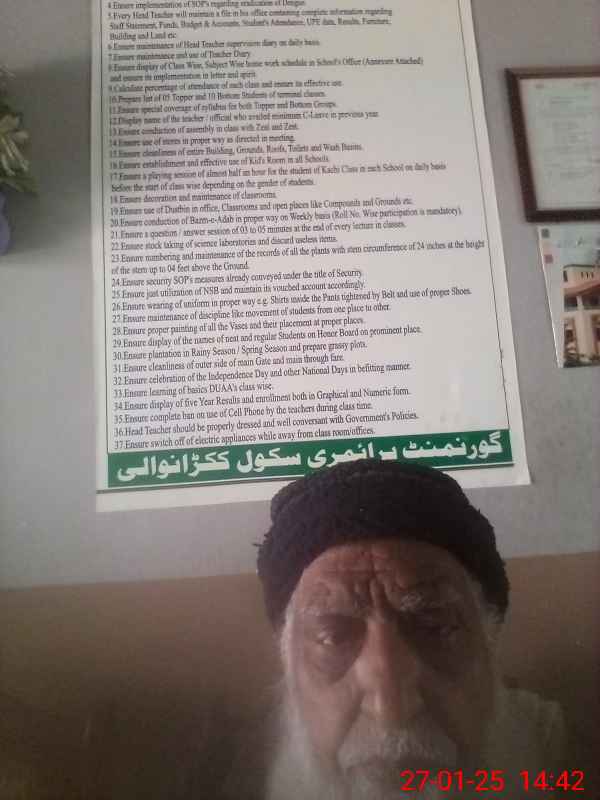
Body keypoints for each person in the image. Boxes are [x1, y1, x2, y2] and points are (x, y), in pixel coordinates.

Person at [225, 459, 566, 800]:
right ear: (288, 660)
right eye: (333, 637)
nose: (390, 711)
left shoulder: (556, 743)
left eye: (435, 628)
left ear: (489, 642)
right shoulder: (227, 765)